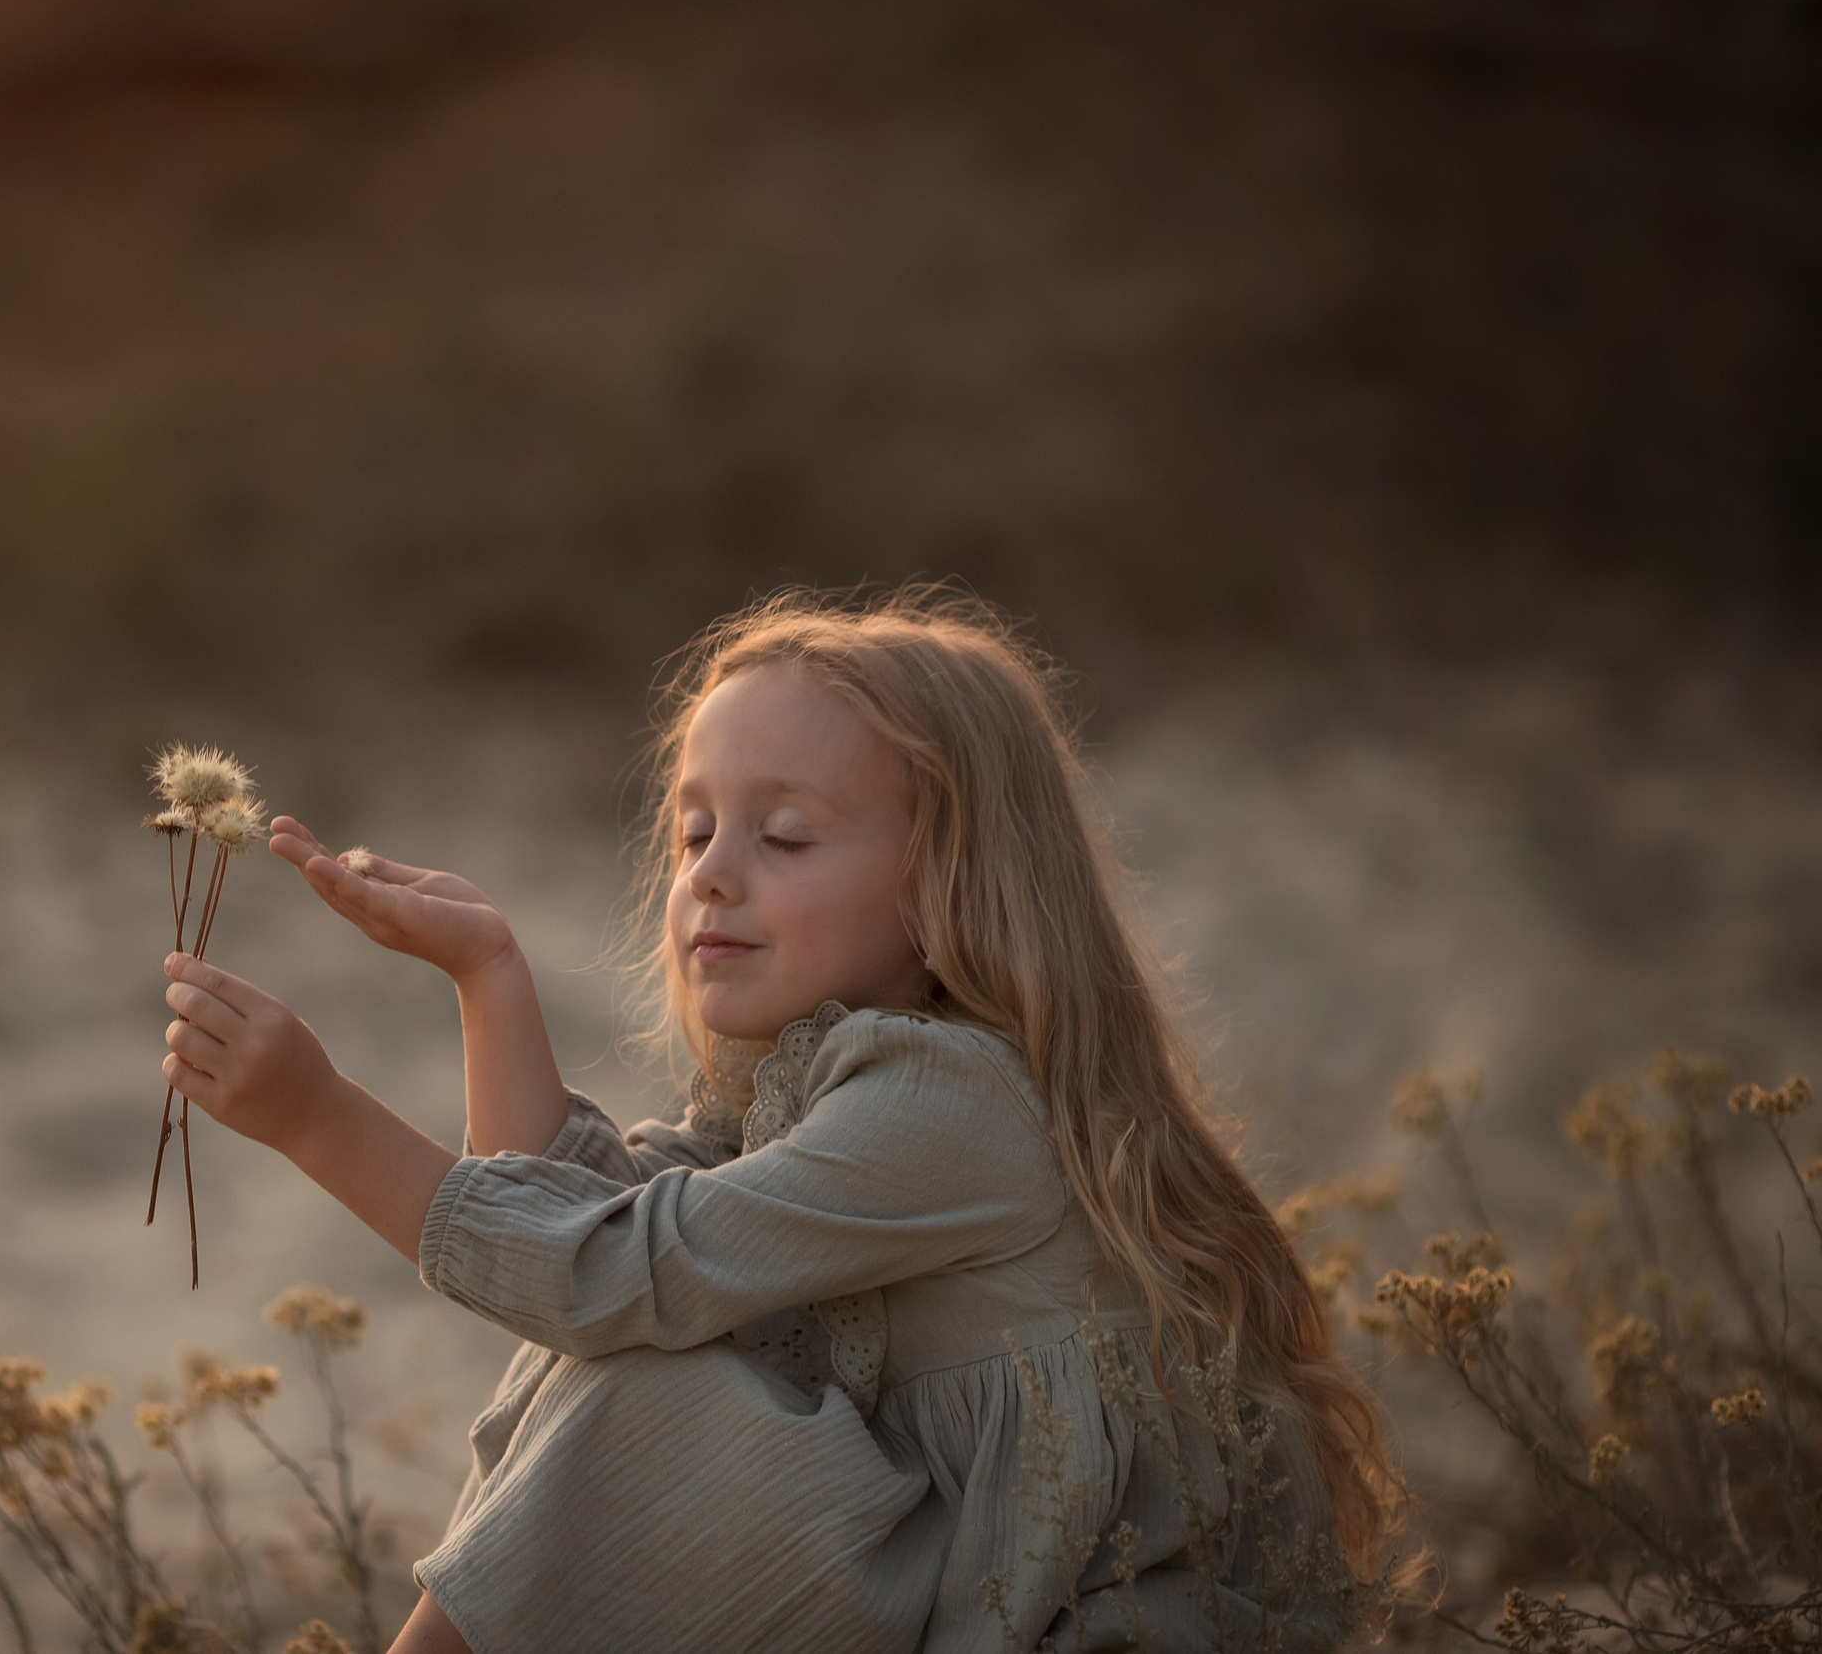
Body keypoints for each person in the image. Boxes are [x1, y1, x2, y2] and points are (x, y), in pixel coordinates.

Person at [156, 585, 1403, 1653]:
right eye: (695, 828)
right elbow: (591, 1232)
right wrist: (487, 977)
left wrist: (316, 1119)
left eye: (785, 834)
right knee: (649, 1370)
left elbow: (601, 1274)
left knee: (656, 1400)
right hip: (956, 1582)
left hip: (1076, 1619)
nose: (710, 870)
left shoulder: (949, 1103)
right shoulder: (817, 1081)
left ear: (947, 882)